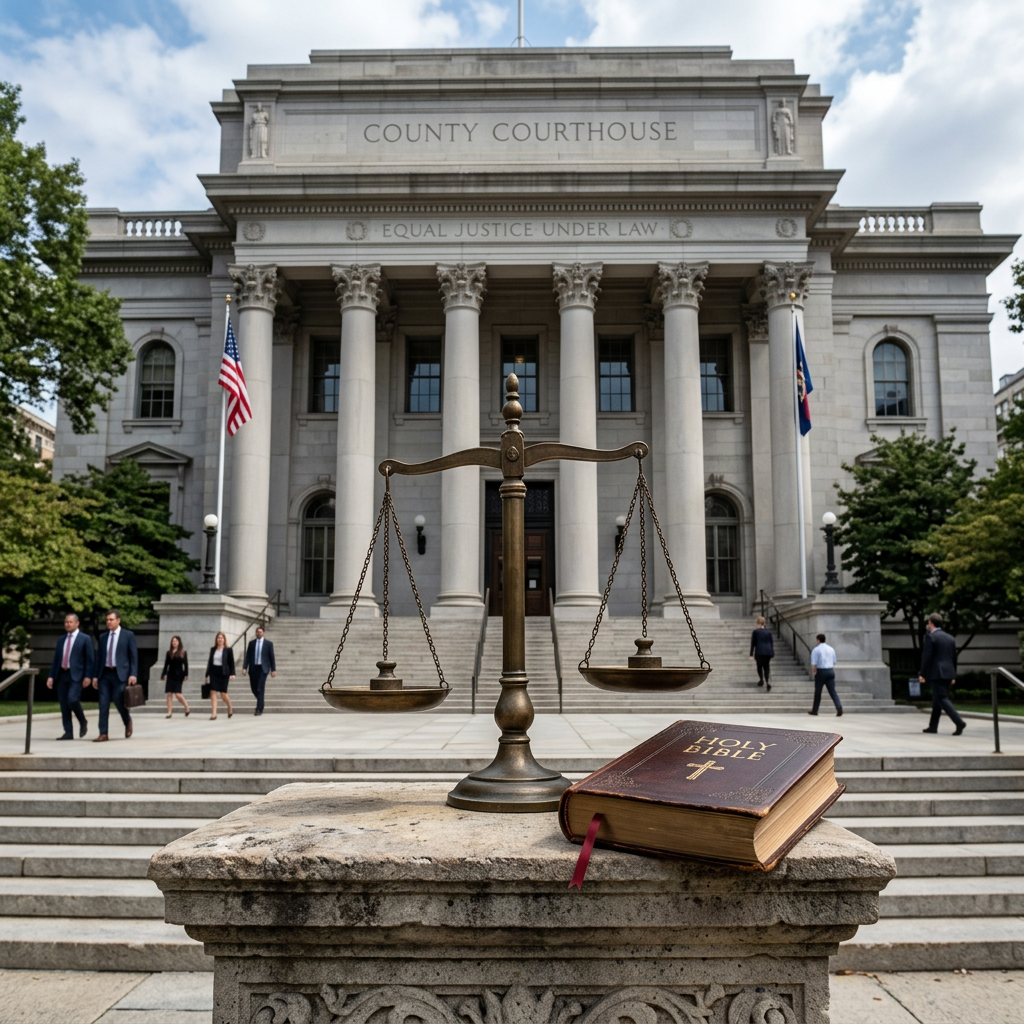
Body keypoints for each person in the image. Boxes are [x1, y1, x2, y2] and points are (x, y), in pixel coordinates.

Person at [92, 609, 138, 742]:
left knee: (119, 700)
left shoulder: (128, 635)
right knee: (103, 704)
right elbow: (99, 658)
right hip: (104, 674)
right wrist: (95, 676)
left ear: (118, 620)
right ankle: (103, 733)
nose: (108, 622)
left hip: (120, 674)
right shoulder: (103, 637)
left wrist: (133, 674)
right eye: (107, 620)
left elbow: (133, 656)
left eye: (111, 620)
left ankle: (127, 720)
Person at [45, 612, 92, 740]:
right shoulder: (61, 639)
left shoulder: (85, 639)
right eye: (66, 622)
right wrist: (51, 676)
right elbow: (56, 660)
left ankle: (83, 721)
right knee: (64, 705)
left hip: (76, 675)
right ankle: (68, 732)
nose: (68, 624)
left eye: (71, 622)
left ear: (77, 623)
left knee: (72, 699)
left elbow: (89, 659)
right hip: (62, 675)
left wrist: (88, 676)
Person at [919, 612, 965, 735]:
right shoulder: (950, 637)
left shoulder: (930, 637)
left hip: (936, 673)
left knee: (942, 698)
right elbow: (953, 658)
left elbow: (927, 657)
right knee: (936, 700)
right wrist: (953, 675)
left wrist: (922, 673)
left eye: (928, 623)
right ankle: (933, 727)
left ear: (931, 623)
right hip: (948, 672)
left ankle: (958, 721)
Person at [243, 624, 276, 716]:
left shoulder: (268, 644)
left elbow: (271, 657)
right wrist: (245, 667)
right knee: (254, 688)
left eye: (260, 632)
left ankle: (258, 708)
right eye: (257, 632)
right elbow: (248, 656)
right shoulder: (251, 643)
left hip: (263, 668)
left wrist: (273, 669)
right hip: (253, 668)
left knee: (260, 688)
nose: (259, 633)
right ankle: (261, 702)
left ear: (263, 633)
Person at [808, 633, 843, 717]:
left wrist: (814, 671)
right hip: (830, 671)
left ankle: (815, 710)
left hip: (821, 671)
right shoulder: (831, 649)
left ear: (818, 640)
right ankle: (839, 707)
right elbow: (834, 661)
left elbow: (814, 663)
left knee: (818, 692)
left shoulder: (816, 650)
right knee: (832, 691)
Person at [205, 632, 235, 719]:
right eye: (218, 638)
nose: (220, 639)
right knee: (212, 692)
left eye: (221, 638)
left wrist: (232, 673)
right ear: (216, 639)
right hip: (214, 672)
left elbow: (231, 663)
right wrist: (207, 674)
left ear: (224, 639)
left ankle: (229, 707)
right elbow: (210, 662)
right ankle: (214, 713)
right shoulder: (213, 649)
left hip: (224, 673)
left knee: (223, 694)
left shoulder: (228, 650)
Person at [161, 635, 191, 718]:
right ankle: (169, 712)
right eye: (173, 641)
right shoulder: (169, 653)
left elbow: (186, 665)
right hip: (170, 674)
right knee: (169, 693)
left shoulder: (183, 652)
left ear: (179, 643)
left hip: (179, 675)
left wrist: (186, 674)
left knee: (178, 694)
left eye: (176, 641)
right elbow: (166, 664)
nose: (174, 642)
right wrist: (163, 674)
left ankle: (187, 707)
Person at [748, 615, 774, 692]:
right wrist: (772, 652)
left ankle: (761, 679)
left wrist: (751, 654)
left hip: (759, 652)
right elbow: (771, 643)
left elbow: (753, 643)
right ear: (764, 623)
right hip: (767, 652)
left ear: (757, 623)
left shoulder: (755, 632)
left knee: (759, 667)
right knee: (766, 667)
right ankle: (767, 681)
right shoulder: (768, 632)